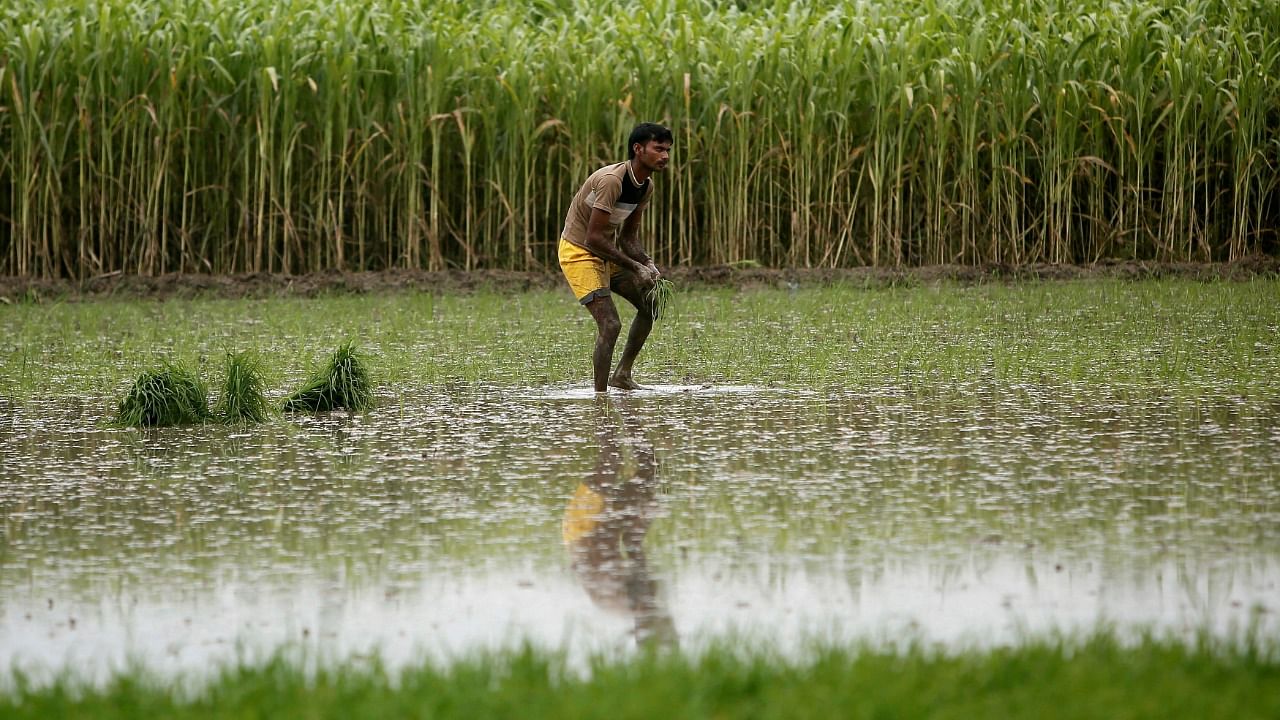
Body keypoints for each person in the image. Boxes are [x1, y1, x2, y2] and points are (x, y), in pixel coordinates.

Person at [558, 122, 673, 392]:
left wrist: (647, 263)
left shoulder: (645, 186)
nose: (665, 156)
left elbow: (627, 238)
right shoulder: (612, 181)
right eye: (658, 149)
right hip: (579, 252)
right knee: (610, 325)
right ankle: (601, 398)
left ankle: (622, 375)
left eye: (668, 150)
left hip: (606, 251)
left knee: (650, 305)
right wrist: (634, 267)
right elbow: (592, 238)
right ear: (638, 149)